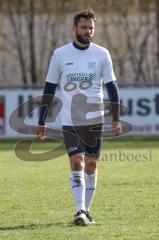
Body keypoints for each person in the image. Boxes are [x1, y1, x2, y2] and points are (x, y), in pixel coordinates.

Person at [37, 9, 122, 226]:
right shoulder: (60, 54)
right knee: (77, 162)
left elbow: (112, 87)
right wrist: (42, 120)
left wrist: (116, 117)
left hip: (95, 121)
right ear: (74, 29)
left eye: (91, 28)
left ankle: (87, 211)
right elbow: (49, 88)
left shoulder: (102, 54)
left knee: (91, 166)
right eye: (84, 27)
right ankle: (80, 211)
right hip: (70, 121)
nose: (88, 31)